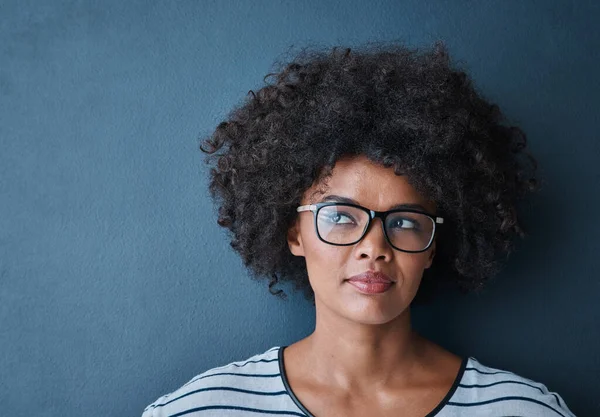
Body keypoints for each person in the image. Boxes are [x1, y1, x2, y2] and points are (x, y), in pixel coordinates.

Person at [141, 41, 576, 416]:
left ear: (431, 246)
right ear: (294, 232)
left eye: (404, 222)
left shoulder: (522, 411)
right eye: (341, 216)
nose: (374, 248)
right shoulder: (199, 409)